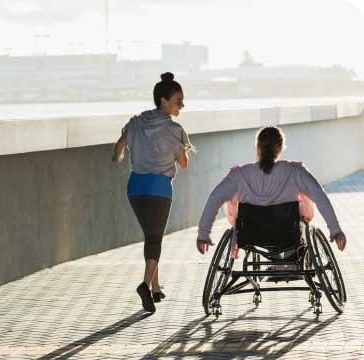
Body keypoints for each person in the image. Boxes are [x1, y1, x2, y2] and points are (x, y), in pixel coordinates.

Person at [112, 72, 195, 313]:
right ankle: (145, 285)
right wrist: (179, 149)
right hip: (158, 188)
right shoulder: (174, 129)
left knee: (151, 235)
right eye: (178, 100)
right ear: (163, 100)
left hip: (135, 187)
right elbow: (183, 163)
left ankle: (156, 287)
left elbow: (118, 150)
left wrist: (122, 156)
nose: (182, 105)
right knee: (155, 238)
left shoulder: (136, 122)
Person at [196, 126, 346, 256]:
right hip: (287, 233)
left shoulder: (239, 175)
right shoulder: (294, 171)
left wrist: (203, 234)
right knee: (300, 220)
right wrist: (335, 230)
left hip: (250, 234)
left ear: (257, 148)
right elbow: (320, 196)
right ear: (280, 149)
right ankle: (287, 263)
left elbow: (215, 198)